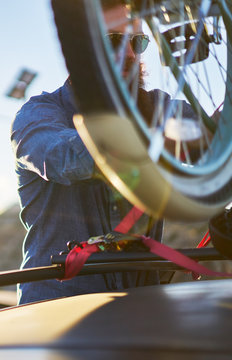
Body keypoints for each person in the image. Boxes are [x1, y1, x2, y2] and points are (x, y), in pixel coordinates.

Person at [11, 0, 195, 305]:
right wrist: (159, 135)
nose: (131, 55)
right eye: (113, 41)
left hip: (141, 311)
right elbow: (67, 159)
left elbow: (218, 134)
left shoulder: (159, 108)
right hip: (58, 314)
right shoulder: (37, 115)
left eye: (137, 42)